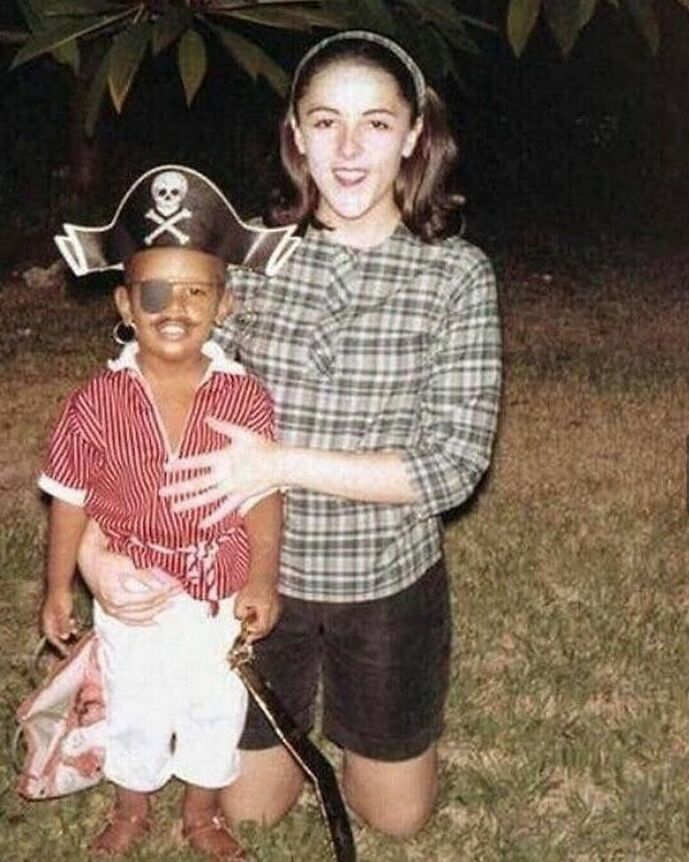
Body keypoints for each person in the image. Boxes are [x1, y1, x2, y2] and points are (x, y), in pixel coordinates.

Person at [83, 29, 502, 839]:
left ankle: (376, 731)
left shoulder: (456, 275)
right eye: (325, 122)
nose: (348, 150)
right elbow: (135, 412)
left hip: (385, 583)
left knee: (397, 820)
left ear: (414, 135)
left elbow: (452, 466)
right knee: (250, 808)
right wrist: (100, 548)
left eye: (376, 124)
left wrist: (276, 462)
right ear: (296, 135)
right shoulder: (247, 263)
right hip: (248, 582)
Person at [38, 166, 286, 859]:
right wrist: (61, 586)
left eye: (196, 292)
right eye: (153, 293)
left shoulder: (246, 398)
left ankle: (202, 814)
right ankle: (132, 806)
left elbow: (264, 495)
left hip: (220, 592)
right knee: (138, 703)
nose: (174, 308)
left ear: (224, 306)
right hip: (133, 595)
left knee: (214, 704)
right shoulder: (94, 402)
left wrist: (262, 579)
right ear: (123, 304)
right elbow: (68, 497)